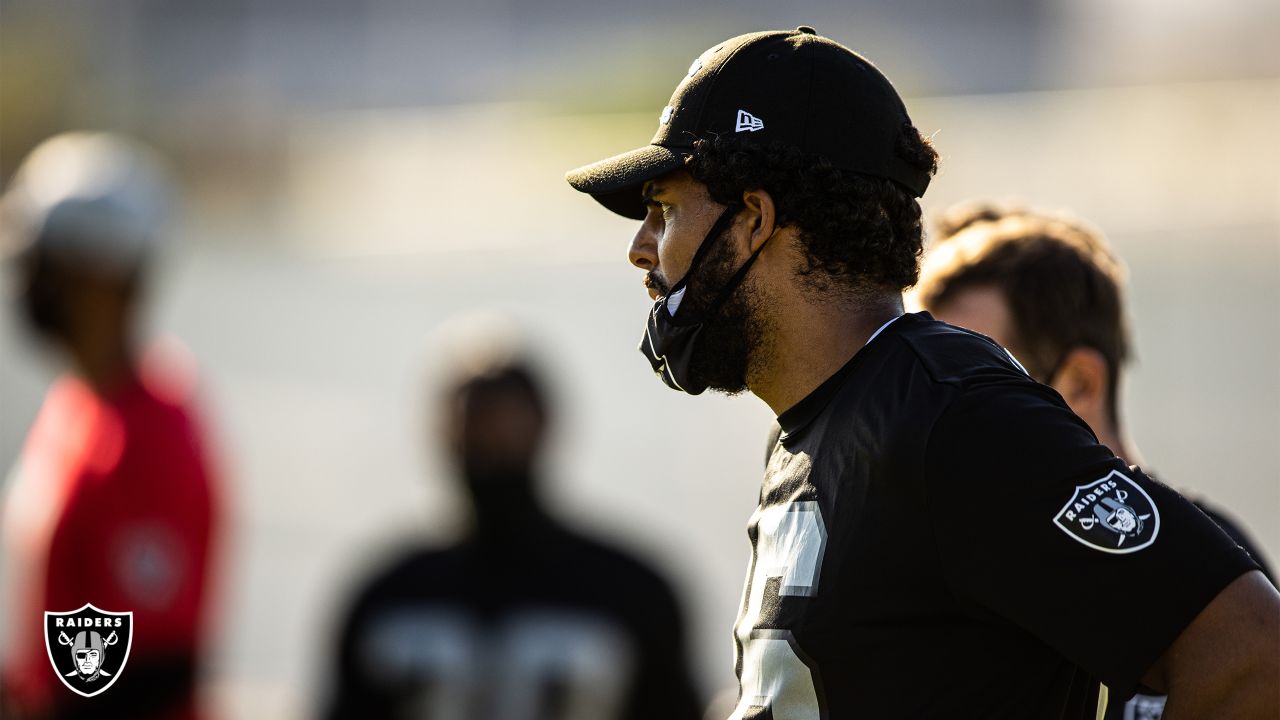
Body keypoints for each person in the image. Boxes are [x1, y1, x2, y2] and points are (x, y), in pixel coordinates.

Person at [563, 26, 1279, 719]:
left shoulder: (953, 418)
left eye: (663, 209)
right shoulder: (819, 427)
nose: (641, 247)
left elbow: (1252, 656)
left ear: (753, 220)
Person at [914, 202, 1275, 719]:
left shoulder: (1223, 581)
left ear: (1081, 381)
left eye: (980, 381)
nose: (939, 410)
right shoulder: (944, 571)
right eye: (922, 382)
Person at [323, 333, 701, 720]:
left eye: (500, 420)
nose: (485, 440)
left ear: (544, 424)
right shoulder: (387, 594)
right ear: (440, 431)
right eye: (471, 421)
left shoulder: (632, 593)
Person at [0, 133, 222, 720]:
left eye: (42, 261)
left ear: (100, 276)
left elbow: (142, 667)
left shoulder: (148, 441)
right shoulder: (78, 408)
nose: (25, 281)